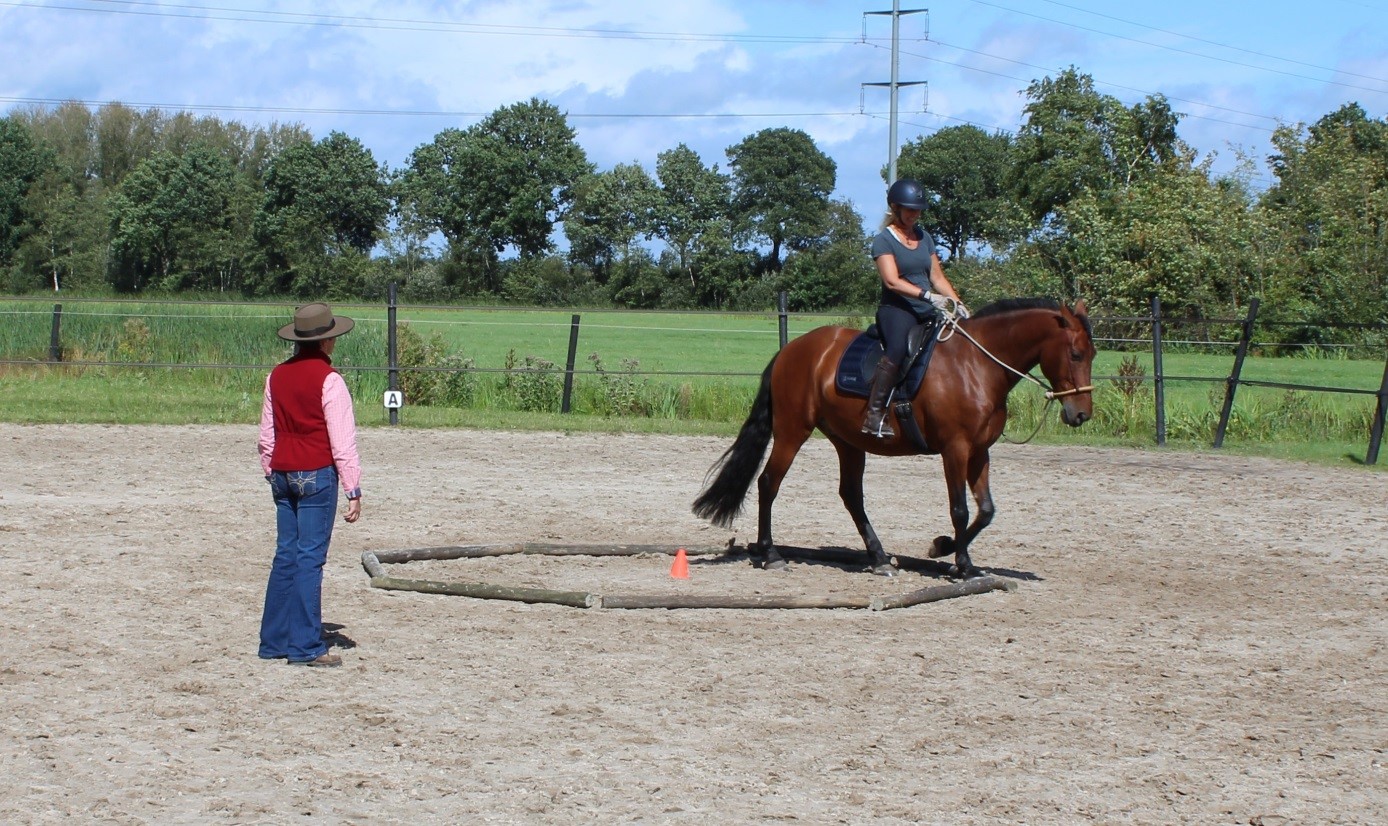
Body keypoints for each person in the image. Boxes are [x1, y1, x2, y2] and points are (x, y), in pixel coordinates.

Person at [257, 302, 363, 667]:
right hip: (316, 474)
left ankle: (274, 640)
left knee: (285, 554)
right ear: (327, 341)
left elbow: (266, 435)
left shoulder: (276, 376)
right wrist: (353, 488)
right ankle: (306, 646)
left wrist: (271, 470)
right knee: (310, 559)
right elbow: (342, 440)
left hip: (283, 472)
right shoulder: (330, 381)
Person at [862, 178, 969, 439]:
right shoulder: (883, 241)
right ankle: (874, 413)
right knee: (898, 348)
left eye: (918, 210)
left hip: (927, 309)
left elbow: (938, 278)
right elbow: (892, 281)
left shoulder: (925, 238)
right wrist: (928, 296)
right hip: (897, 310)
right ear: (895, 208)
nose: (915, 214)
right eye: (910, 209)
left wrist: (958, 304)